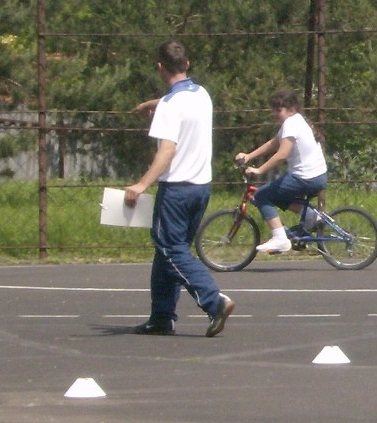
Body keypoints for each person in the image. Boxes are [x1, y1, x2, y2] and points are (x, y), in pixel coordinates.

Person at [125, 40, 235, 337]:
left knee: (170, 248)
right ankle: (161, 317)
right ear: (186, 64)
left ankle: (214, 301)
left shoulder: (170, 107)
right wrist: (154, 104)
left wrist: (142, 184)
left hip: (176, 189)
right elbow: (176, 102)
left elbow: (166, 152)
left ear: (160, 67)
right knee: (168, 252)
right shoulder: (201, 95)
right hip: (201, 188)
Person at [235, 89, 328, 254]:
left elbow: (281, 154)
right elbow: (274, 143)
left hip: (305, 177)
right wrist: (249, 156)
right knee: (276, 193)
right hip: (315, 176)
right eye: (274, 109)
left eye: (279, 110)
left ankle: (280, 238)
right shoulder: (297, 120)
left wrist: (259, 170)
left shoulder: (291, 123)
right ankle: (310, 216)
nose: (274, 113)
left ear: (291, 109)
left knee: (261, 195)